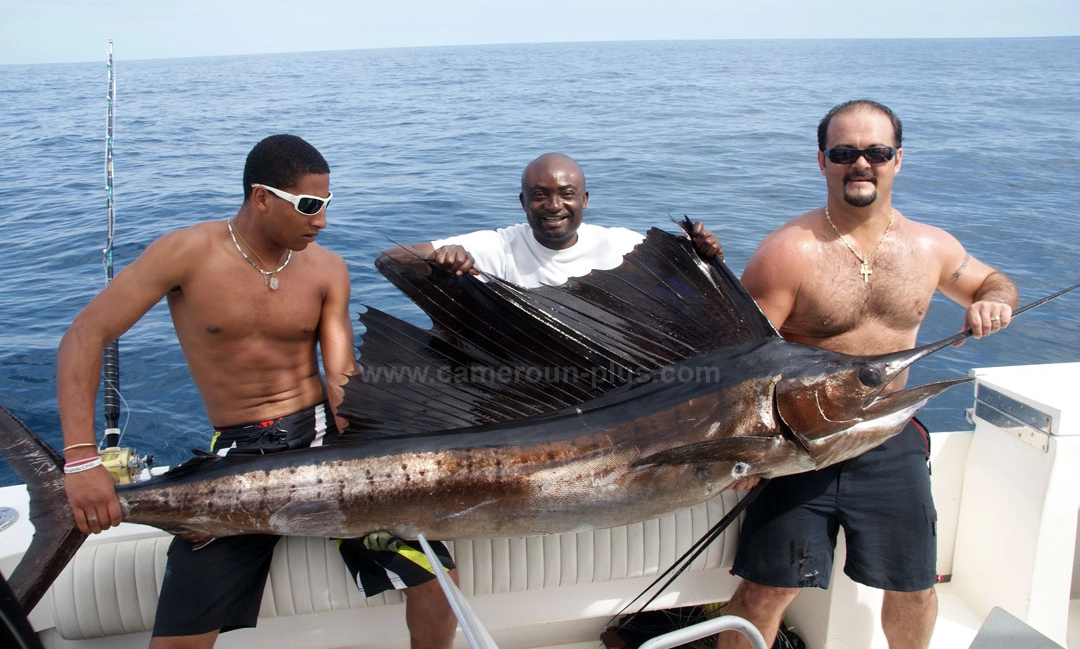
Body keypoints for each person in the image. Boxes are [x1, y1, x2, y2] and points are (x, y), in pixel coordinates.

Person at [57, 135, 458, 649]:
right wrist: (80, 459)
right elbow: (85, 336)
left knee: (439, 585)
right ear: (261, 197)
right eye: (309, 206)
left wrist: (375, 451)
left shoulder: (328, 269)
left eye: (327, 206)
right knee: (178, 641)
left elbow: (341, 378)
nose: (322, 222)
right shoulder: (185, 253)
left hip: (323, 443)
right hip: (239, 455)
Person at [715, 100, 1018, 649]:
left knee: (916, 588)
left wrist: (993, 302)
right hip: (799, 446)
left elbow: (992, 282)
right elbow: (740, 361)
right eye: (844, 152)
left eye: (876, 152)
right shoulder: (789, 252)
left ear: (897, 160)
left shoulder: (931, 247)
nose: (861, 163)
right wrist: (753, 450)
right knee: (765, 595)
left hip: (888, 438)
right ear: (822, 161)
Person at [378, 151, 722, 285]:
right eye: (540, 196)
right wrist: (439, 255)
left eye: (566, 194)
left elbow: (691, 284)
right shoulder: (498, 246)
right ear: (523, 202)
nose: (554, 206)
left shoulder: (623, 245)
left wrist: (707, 256)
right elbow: (387, 260)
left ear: (584, 200)